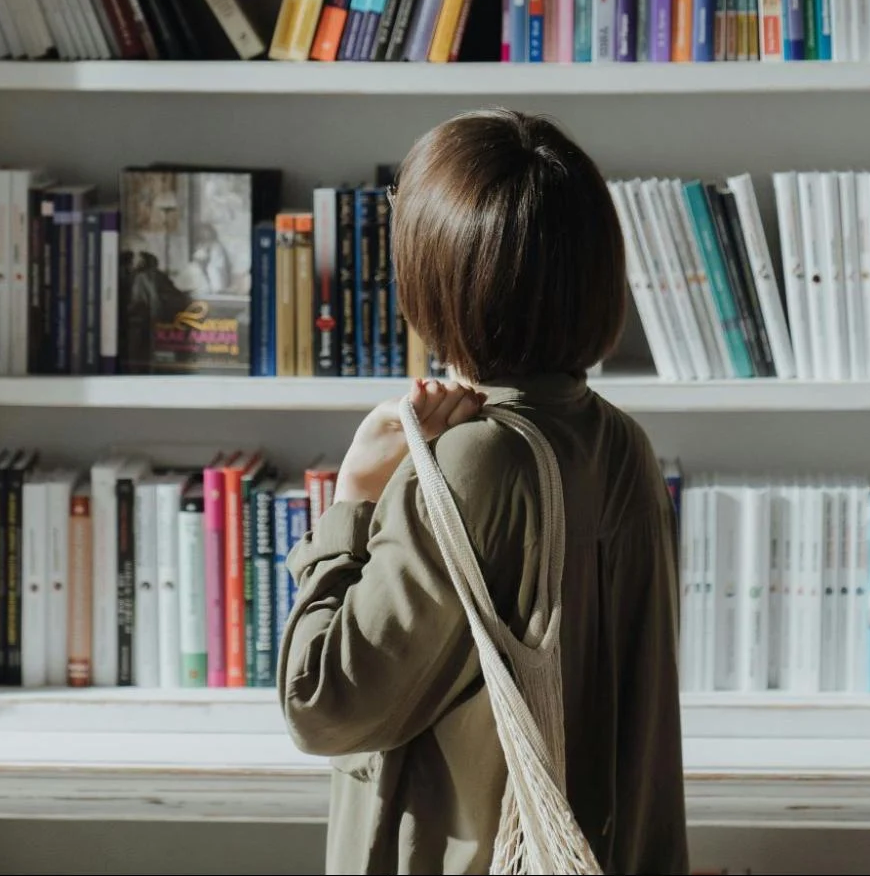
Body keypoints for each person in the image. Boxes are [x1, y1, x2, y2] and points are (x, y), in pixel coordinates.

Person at [279, 109, 686, 875]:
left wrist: (353, 497)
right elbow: (646, 731)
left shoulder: (469, 463)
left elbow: (323, 705)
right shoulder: (620, 442)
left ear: (439, 274)